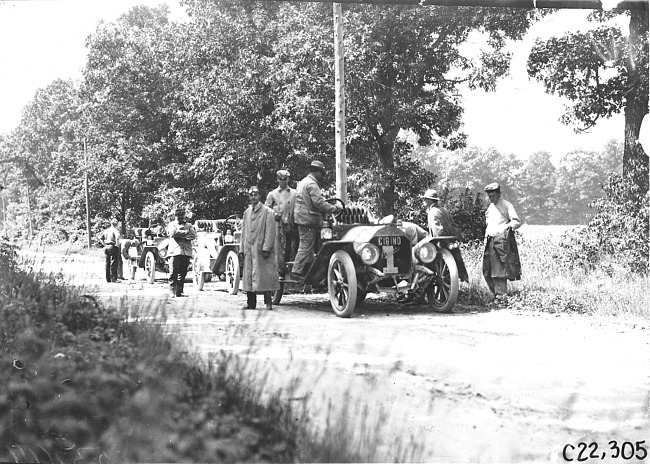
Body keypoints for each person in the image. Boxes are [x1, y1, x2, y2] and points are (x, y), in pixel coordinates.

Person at [291, 160, 341, 280]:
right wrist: (333, 208)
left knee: (309, 246)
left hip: (303, 219)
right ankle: (296, 271)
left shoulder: (303, 182)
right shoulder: (312, 184)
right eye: (321, 173)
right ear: (317, 172)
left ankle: (314, 274)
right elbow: (318, 203)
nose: (322, 176)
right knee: (306, 245)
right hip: (308, 220)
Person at [482, 182, 522, 301]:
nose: (491, 198)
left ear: (499, 193)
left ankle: (501, 296)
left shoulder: (506, 205)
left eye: (493, 196)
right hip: (490, 241)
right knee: (487, 270)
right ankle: (495, 295)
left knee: (499, 270)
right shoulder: (490, 207)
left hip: (501, 241)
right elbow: (488, 225)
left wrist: (505, 229)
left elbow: (516, 222)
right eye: (489, 196)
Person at [241, 186, 278, 310]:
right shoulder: (247, 212)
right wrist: (242, 248)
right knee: (249, 276)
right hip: (249, 248)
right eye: (251, 195)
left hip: (261, 248)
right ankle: (251, 302)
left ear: (260, 196)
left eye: (255, 195)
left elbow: (270, 231)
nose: (253, 197)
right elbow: (243, 232)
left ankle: (268, 301)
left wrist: (267, 247)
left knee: (265, 274)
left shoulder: (268, 212)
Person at [422, 189, 469, 283]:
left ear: (429, 200)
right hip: (450, 241)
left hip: (441, 244)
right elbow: (454, 226)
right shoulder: (444, 210)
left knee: (424, 261)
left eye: (425, 199)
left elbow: (437, 231)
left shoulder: (432, 212)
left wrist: (441, 244)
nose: (424, 201)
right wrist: (453, 239)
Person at [265, 169, 297, 278]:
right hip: (278, 225)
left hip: (292, 224)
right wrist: (274, 213)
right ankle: (279, 272)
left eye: (285, 179)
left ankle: (292, 273)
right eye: (281, 179)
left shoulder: (294, 193)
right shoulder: (272, 194)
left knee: (293, 247)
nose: (283, 182)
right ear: (277, 179)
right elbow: (266, 209)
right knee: (279, 249)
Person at [167, 207, 197, 297]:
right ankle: (172, 291)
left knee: (183, 273)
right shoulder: (172, 224)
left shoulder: (189, 225)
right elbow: (173, 234)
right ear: (175, 216)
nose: (180, 217)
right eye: (178, 215)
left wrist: (181, 234)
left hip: (186, 251)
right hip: (175, 251)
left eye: (181, 215)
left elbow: (193, 235)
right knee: (173, 272)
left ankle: (179, 292)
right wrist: (185, 233)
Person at [101, 218, 121, 283]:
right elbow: (117, 237)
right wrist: (117, 245)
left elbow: (101, 238)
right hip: (113, 246)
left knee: (107, 263)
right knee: (114, 262)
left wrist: (104, 244)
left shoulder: (106, 230)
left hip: (107, 246)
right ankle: (114, 278)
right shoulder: (115, 230)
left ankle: (108, 279)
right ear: (117, 224)